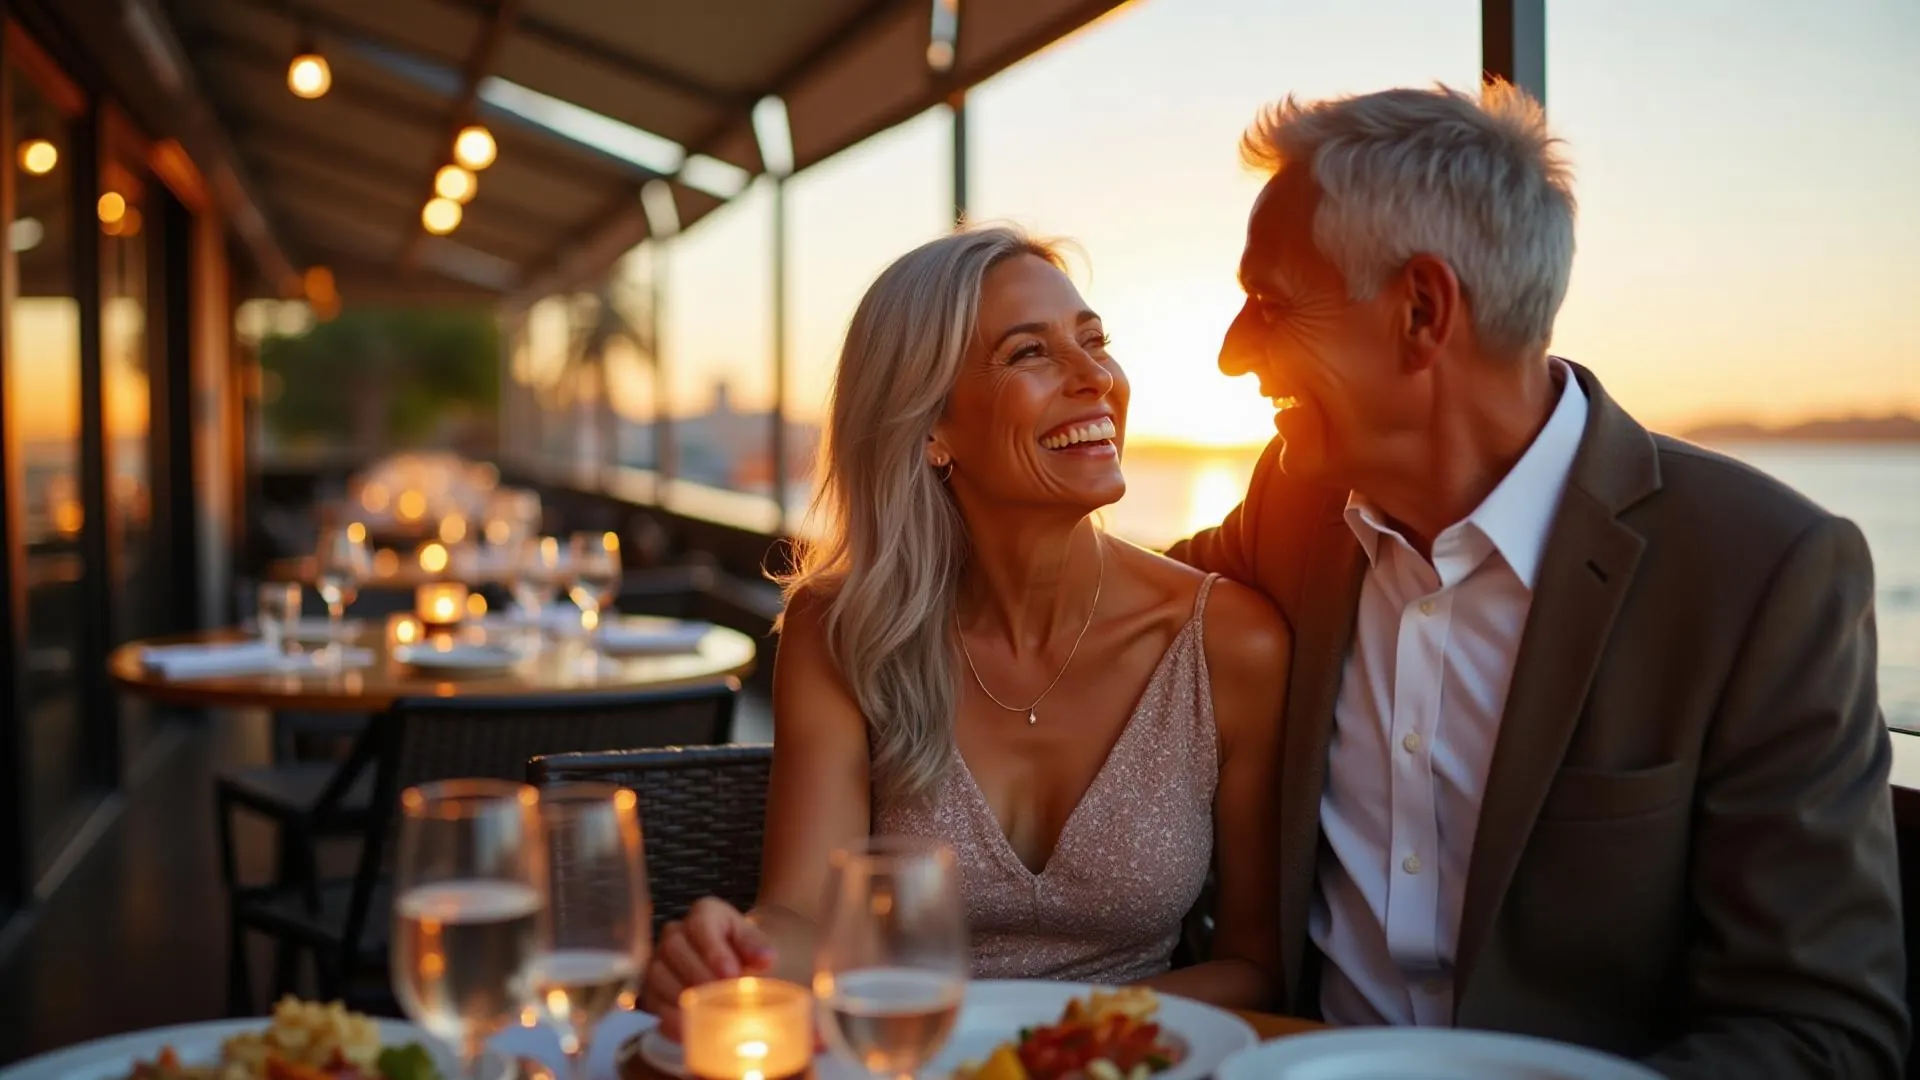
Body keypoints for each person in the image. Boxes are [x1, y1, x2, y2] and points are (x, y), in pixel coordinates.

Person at [1167, 80, 1907, 1076]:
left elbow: (1825, 1035)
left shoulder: (1764, 576)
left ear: (1421, 310)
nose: (1231, 353)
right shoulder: (1292, 507)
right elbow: (1099, 609)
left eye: (1271, 303)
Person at [639, 227, 1290, 1035]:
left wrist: (1056, 1040)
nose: (1096, 377)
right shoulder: (842, 630)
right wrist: (738, 957)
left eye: (1095, 342)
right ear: (930, 429)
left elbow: (1254, 965)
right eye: (1029, 353)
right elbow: (803, 915)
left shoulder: (1228, 643)